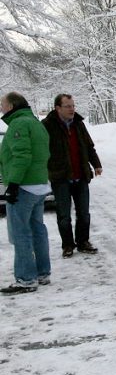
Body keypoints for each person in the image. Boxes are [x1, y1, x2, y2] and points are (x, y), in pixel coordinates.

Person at [0, 92, 52, 294]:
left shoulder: (19, 124)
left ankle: (26, 279)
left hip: (24, 186)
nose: (1, 108)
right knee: (37, 229)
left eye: (3, 104)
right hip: (38, 184)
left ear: (12, 105)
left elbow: (22, 155)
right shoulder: (35, 123)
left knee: (20, 233)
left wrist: (13, 183)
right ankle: (42, 272)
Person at [42, 94, 102, 258]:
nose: (72, 109)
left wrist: (96, 164)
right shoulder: (47, 126)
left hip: (81, 175)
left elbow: (89, 146)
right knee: (63, 215)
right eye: (68, 106)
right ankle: (67, 245)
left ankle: (83, 242)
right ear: (58, 108)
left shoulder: (78, 124)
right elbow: (41, 150)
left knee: (84, 213)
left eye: (73, 106)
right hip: (60, 177)